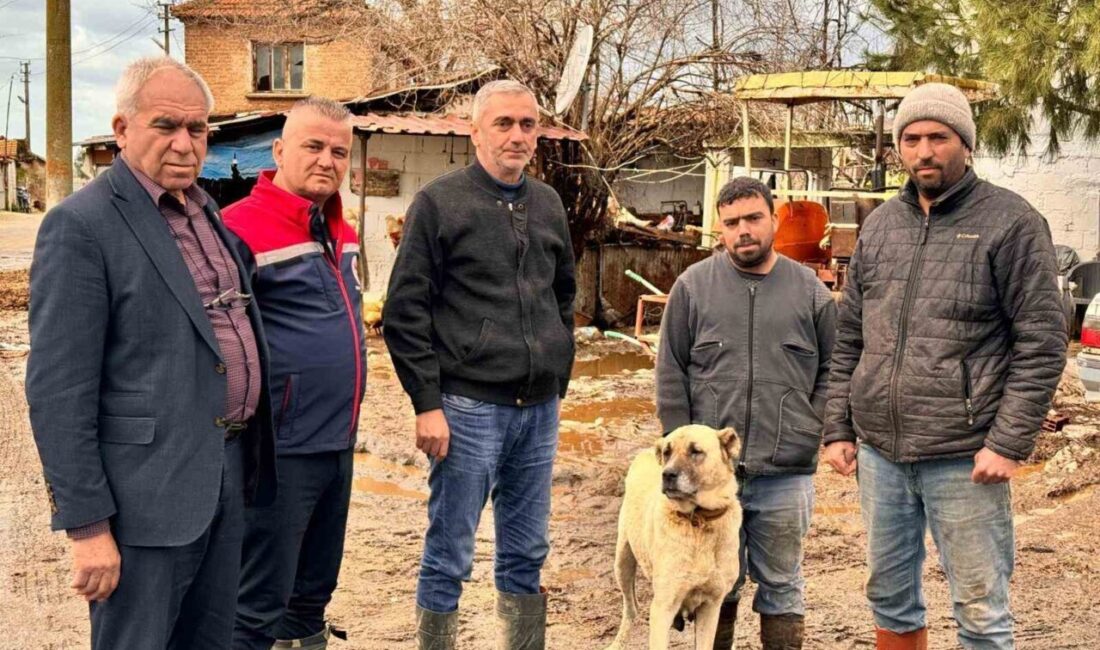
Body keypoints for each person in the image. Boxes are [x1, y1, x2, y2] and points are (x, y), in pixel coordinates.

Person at [25, 56, 276, 649]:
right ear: (122, 129)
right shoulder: (81, 227)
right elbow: (59, 391)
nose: (186, 144)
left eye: (198, 129)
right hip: (143, 502)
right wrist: (87, 527)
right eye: (167, 126)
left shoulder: (204, 212)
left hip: (222, 475)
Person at [822, 83, 1068, 649]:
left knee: (980, 610)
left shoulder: (1012, 222)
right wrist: (838, 426)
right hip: (880, 454)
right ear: (898, 147)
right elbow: (850, 336)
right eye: (911, 139)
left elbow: (1042, 343)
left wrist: (1008, 442)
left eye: (939, 137)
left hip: (965, 455)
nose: (924, 151)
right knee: (889, 597)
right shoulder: (881, 225)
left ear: (965, 143)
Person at [383, 79, 576, 649]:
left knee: (526, 551)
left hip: (538, 410)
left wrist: (558, 365)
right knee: (450, 552)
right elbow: (404, 310)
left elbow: (563, 293)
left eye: (527, 124)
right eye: (504, 124)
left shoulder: (547, 203)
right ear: (475, 132)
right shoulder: (439, 203)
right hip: (468, 409)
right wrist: (427, 403)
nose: (517, 135)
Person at [656, 177, 836, 650]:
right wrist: (678, 455)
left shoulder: (809, 291)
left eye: (753, 218)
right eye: (732, 222)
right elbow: (671, 369)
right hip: (709, 480)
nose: (743, 231)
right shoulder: (693, 287)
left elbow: (835, 367)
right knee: (718, 582)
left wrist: (810, 424)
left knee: (782, 582)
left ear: (773, 220)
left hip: (785, 471)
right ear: (719, 227)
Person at [225, 97, 366, 650]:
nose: (327, 161)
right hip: (277, 452)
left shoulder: (342, 231)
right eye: (313, 146)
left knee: (314, 593)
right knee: (258, 602)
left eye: (339, 151)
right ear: (279, 150)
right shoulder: (238, 230)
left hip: (338, 442)